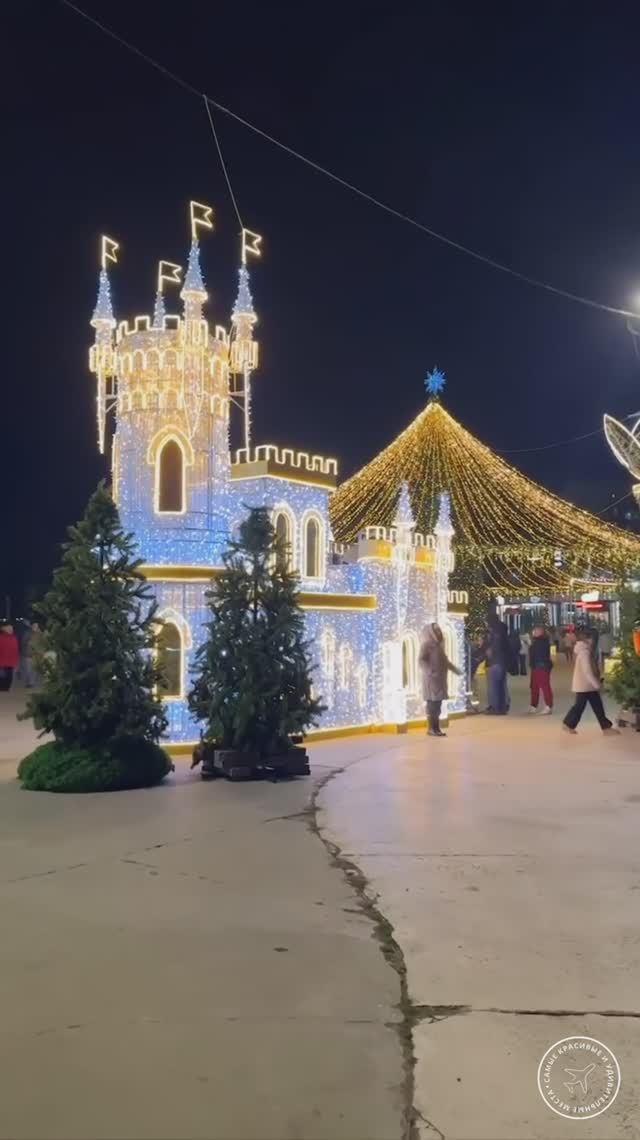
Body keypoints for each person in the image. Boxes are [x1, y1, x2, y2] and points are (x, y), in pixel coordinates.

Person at [563, 629, 618, 735]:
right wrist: (597, 685)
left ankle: (605, 727)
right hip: (585, 685)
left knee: (594, 706)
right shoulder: (584, 652)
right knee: (582, 706)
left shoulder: (585, 650)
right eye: (593, 639)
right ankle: (568, 724)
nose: (594, 641)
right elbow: (587, 672)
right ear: (588, 639)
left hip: (587, 685)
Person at [419, 622, 461, 738]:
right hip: (431, 681)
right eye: (436, 630)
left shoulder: (439, 646)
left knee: (437, 705)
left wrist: (455, 670)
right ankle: (432, 728)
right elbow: (421, 660)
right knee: (432, 705)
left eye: (439, 630)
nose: (439, 632)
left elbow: (445, 662)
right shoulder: (427, 645)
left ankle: (436, 728)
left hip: (440, 680)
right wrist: (430, 671)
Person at [485, 614, 510, 714]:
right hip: (502, 662)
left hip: (495, 662)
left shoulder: (495, 632)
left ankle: (495, 707)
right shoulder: (502, 630)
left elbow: (494, 646)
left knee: (494, 686)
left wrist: (490, 650)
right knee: (501, 685)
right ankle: (502, 707)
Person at [528, 626, 553, 714]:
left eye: (536, 631)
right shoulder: (536, 642)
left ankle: (548, 706)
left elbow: (550, 655)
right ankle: (533, 706)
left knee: (544, 686)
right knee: (534, 687)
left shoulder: (542, 642)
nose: (533, 632)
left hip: (541, 666)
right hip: (536, 666)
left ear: (541, 632)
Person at [21, 622, 42, 689]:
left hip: (36, 655)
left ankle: (31, 683)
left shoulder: (40, 634)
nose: (35, 627)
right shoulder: (27, 633)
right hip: (28, 655)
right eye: (34, 626)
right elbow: (22, 642)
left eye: (36, 626)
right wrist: (27, 642)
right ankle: (28, 682)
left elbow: (43, 643)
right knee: (28, 670)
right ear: (31, 626)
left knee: (34, 670)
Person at [0, 624, 19, 692]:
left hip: (11, 662)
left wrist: (16, 661)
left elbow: (16, 650)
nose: (11, 630)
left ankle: (6, 689)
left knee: (9, 677)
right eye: (9, 628)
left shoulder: (14, 638)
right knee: (2, 677)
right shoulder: (1, 638)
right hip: (2, 662)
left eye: (11, 628)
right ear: (4, 629)